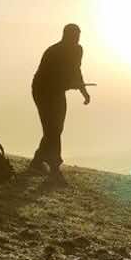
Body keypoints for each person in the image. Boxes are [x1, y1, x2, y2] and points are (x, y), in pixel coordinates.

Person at [30, 23, 91, 184]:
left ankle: (37, 162)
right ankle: (55, 169)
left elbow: (76, 71)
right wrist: (69, 84)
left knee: (56, 128)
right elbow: (51, 78)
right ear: (66, 35)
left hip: (57, 92)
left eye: (78, 36)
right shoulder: (53, 52)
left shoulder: (78, 50)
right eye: (74, 36)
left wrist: (83, 91)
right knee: (52, 129)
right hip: (42, 90)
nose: (77, 39)